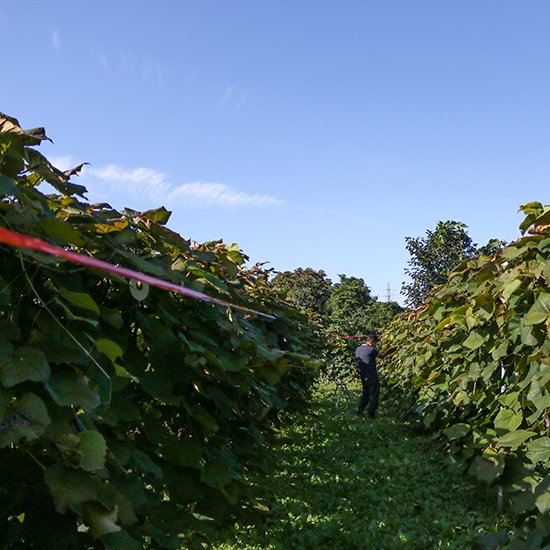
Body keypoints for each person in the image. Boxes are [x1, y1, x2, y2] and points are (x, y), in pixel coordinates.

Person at [354, 335, 380, 419]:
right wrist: (392, 350)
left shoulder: (358, 349)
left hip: (363, 375)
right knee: (374, 394)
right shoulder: (371, 350)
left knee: (366, 393)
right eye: (375, 343)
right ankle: (371, 414)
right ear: (371, 342)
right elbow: (381, 356)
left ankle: (360, 409)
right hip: (371, 375)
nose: (375, 345)